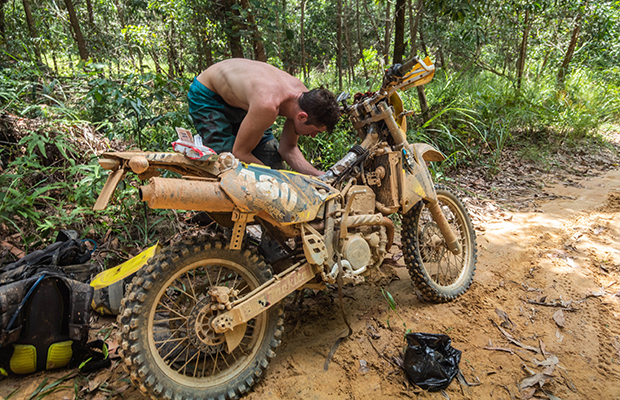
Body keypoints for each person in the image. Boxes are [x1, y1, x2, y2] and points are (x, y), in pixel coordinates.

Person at [187, 58, 341, 176]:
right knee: (227, 160)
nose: (313, 136)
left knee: (270, 158)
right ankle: (214, 212)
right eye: (315, 131)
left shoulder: (305, 99)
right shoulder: (267, 105)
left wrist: (320, 175)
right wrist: (275, 178)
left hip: (245, 101)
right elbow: (240, 153)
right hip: (208, 95)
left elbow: (288, 148)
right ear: (302, 117)